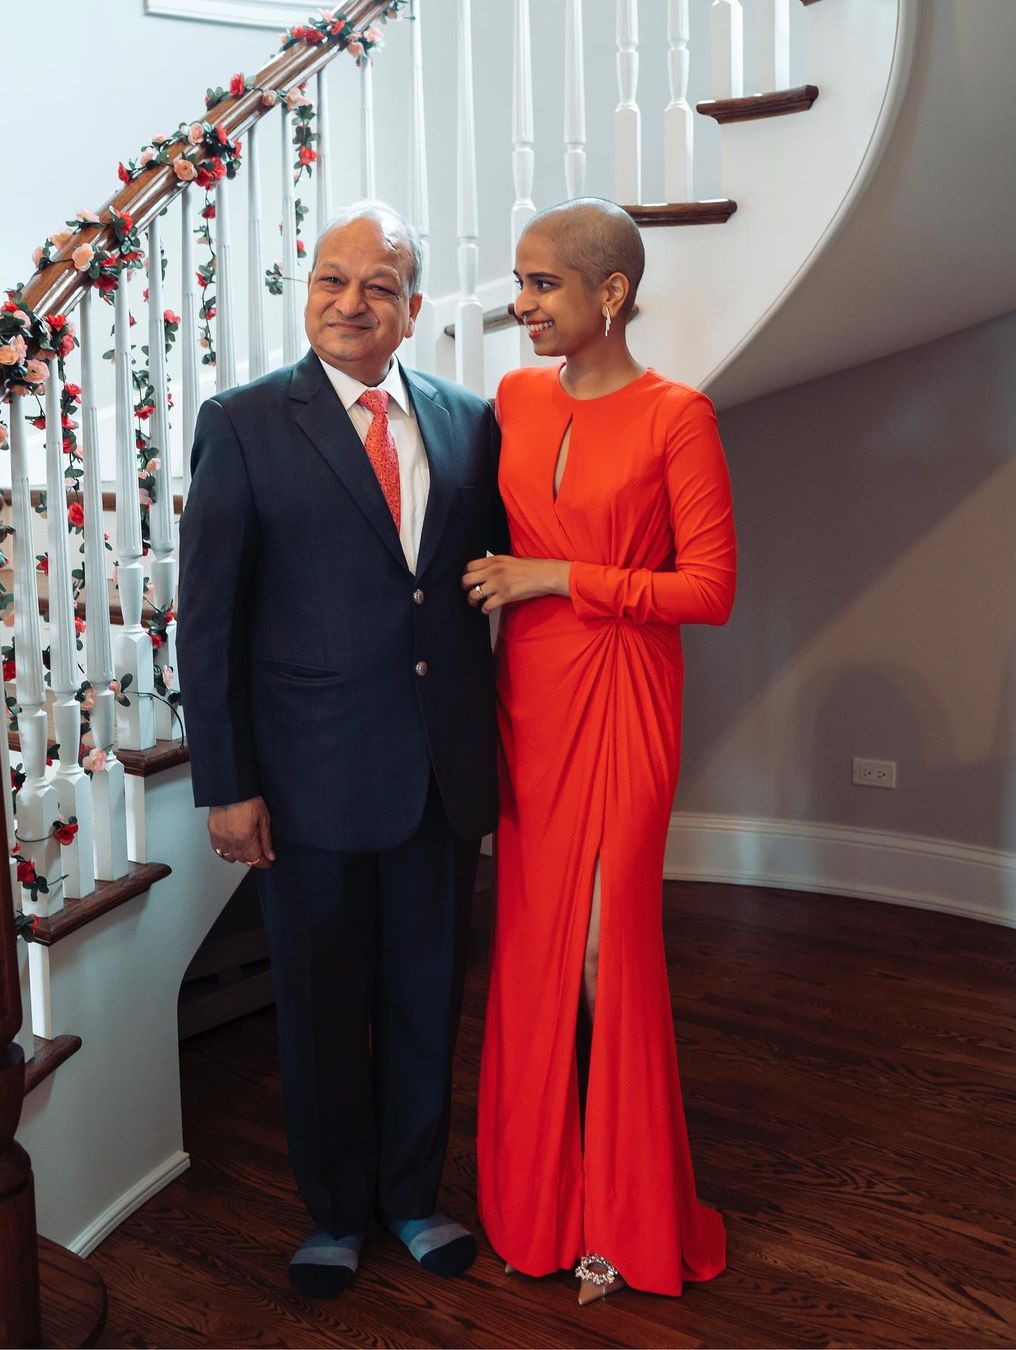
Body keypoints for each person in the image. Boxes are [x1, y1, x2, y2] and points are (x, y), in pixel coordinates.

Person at [177, 202, 506, 1299]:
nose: (350, 302)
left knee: (426, 1001)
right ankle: (332, 1215)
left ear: (413, 309)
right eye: (331, 279)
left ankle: (412, 1197)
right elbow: (208, 620)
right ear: (308, 290)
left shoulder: (469, 422)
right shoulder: (242, 423)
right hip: (307, 781)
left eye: (378, 285)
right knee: (321, 1012)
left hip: (441, 780)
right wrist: (228, 785)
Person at [466, 198, 735, 1302]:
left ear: (610, 293)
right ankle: (539, 1205)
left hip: (625, 692)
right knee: (532, 952)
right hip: (528, 699)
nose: (521, 305)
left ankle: (625, 1217)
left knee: (600, 956)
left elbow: (709, 590)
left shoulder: (680, 415)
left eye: (543, 284)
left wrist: (560, 576)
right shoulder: (513, 398)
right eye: (520, 283)